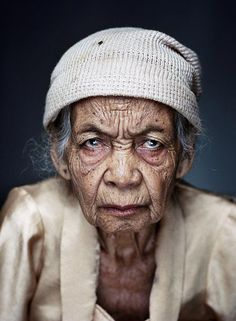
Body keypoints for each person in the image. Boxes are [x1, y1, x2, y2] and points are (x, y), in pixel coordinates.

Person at [0, 27, 236, 321]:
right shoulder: (29, 225)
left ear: (184, 157)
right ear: (62, 159)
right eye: (93, 143)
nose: (123, 177)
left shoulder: (224, 233)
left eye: (152, 143)